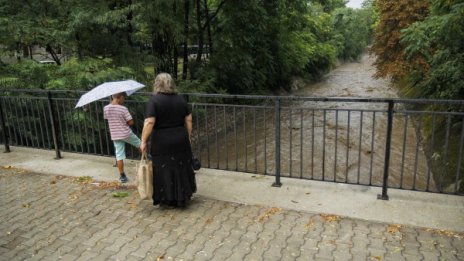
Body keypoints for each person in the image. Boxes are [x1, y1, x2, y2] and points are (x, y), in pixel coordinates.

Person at [140, 73, 196, 208]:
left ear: (157, 84)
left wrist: (143, 141)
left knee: (164, 169)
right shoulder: (180, 99)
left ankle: (167, 199)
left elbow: (149, 122)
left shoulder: (154, 101)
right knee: (181, 167)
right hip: (180, 139)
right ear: (171, 83)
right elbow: (188, 119)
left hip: (162, 141)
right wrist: (188, 135)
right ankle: (182, 197)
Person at [104, 92, 141, 183]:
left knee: (119, 155)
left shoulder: (106, 108)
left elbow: (108, 118)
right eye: (123, 98)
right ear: (119, 97)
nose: (124, 99)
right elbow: (131, 122)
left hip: (115, 134)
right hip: (126, 133)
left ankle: (122, 176)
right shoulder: (123, 109)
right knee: (140, 144)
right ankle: (147, 159)